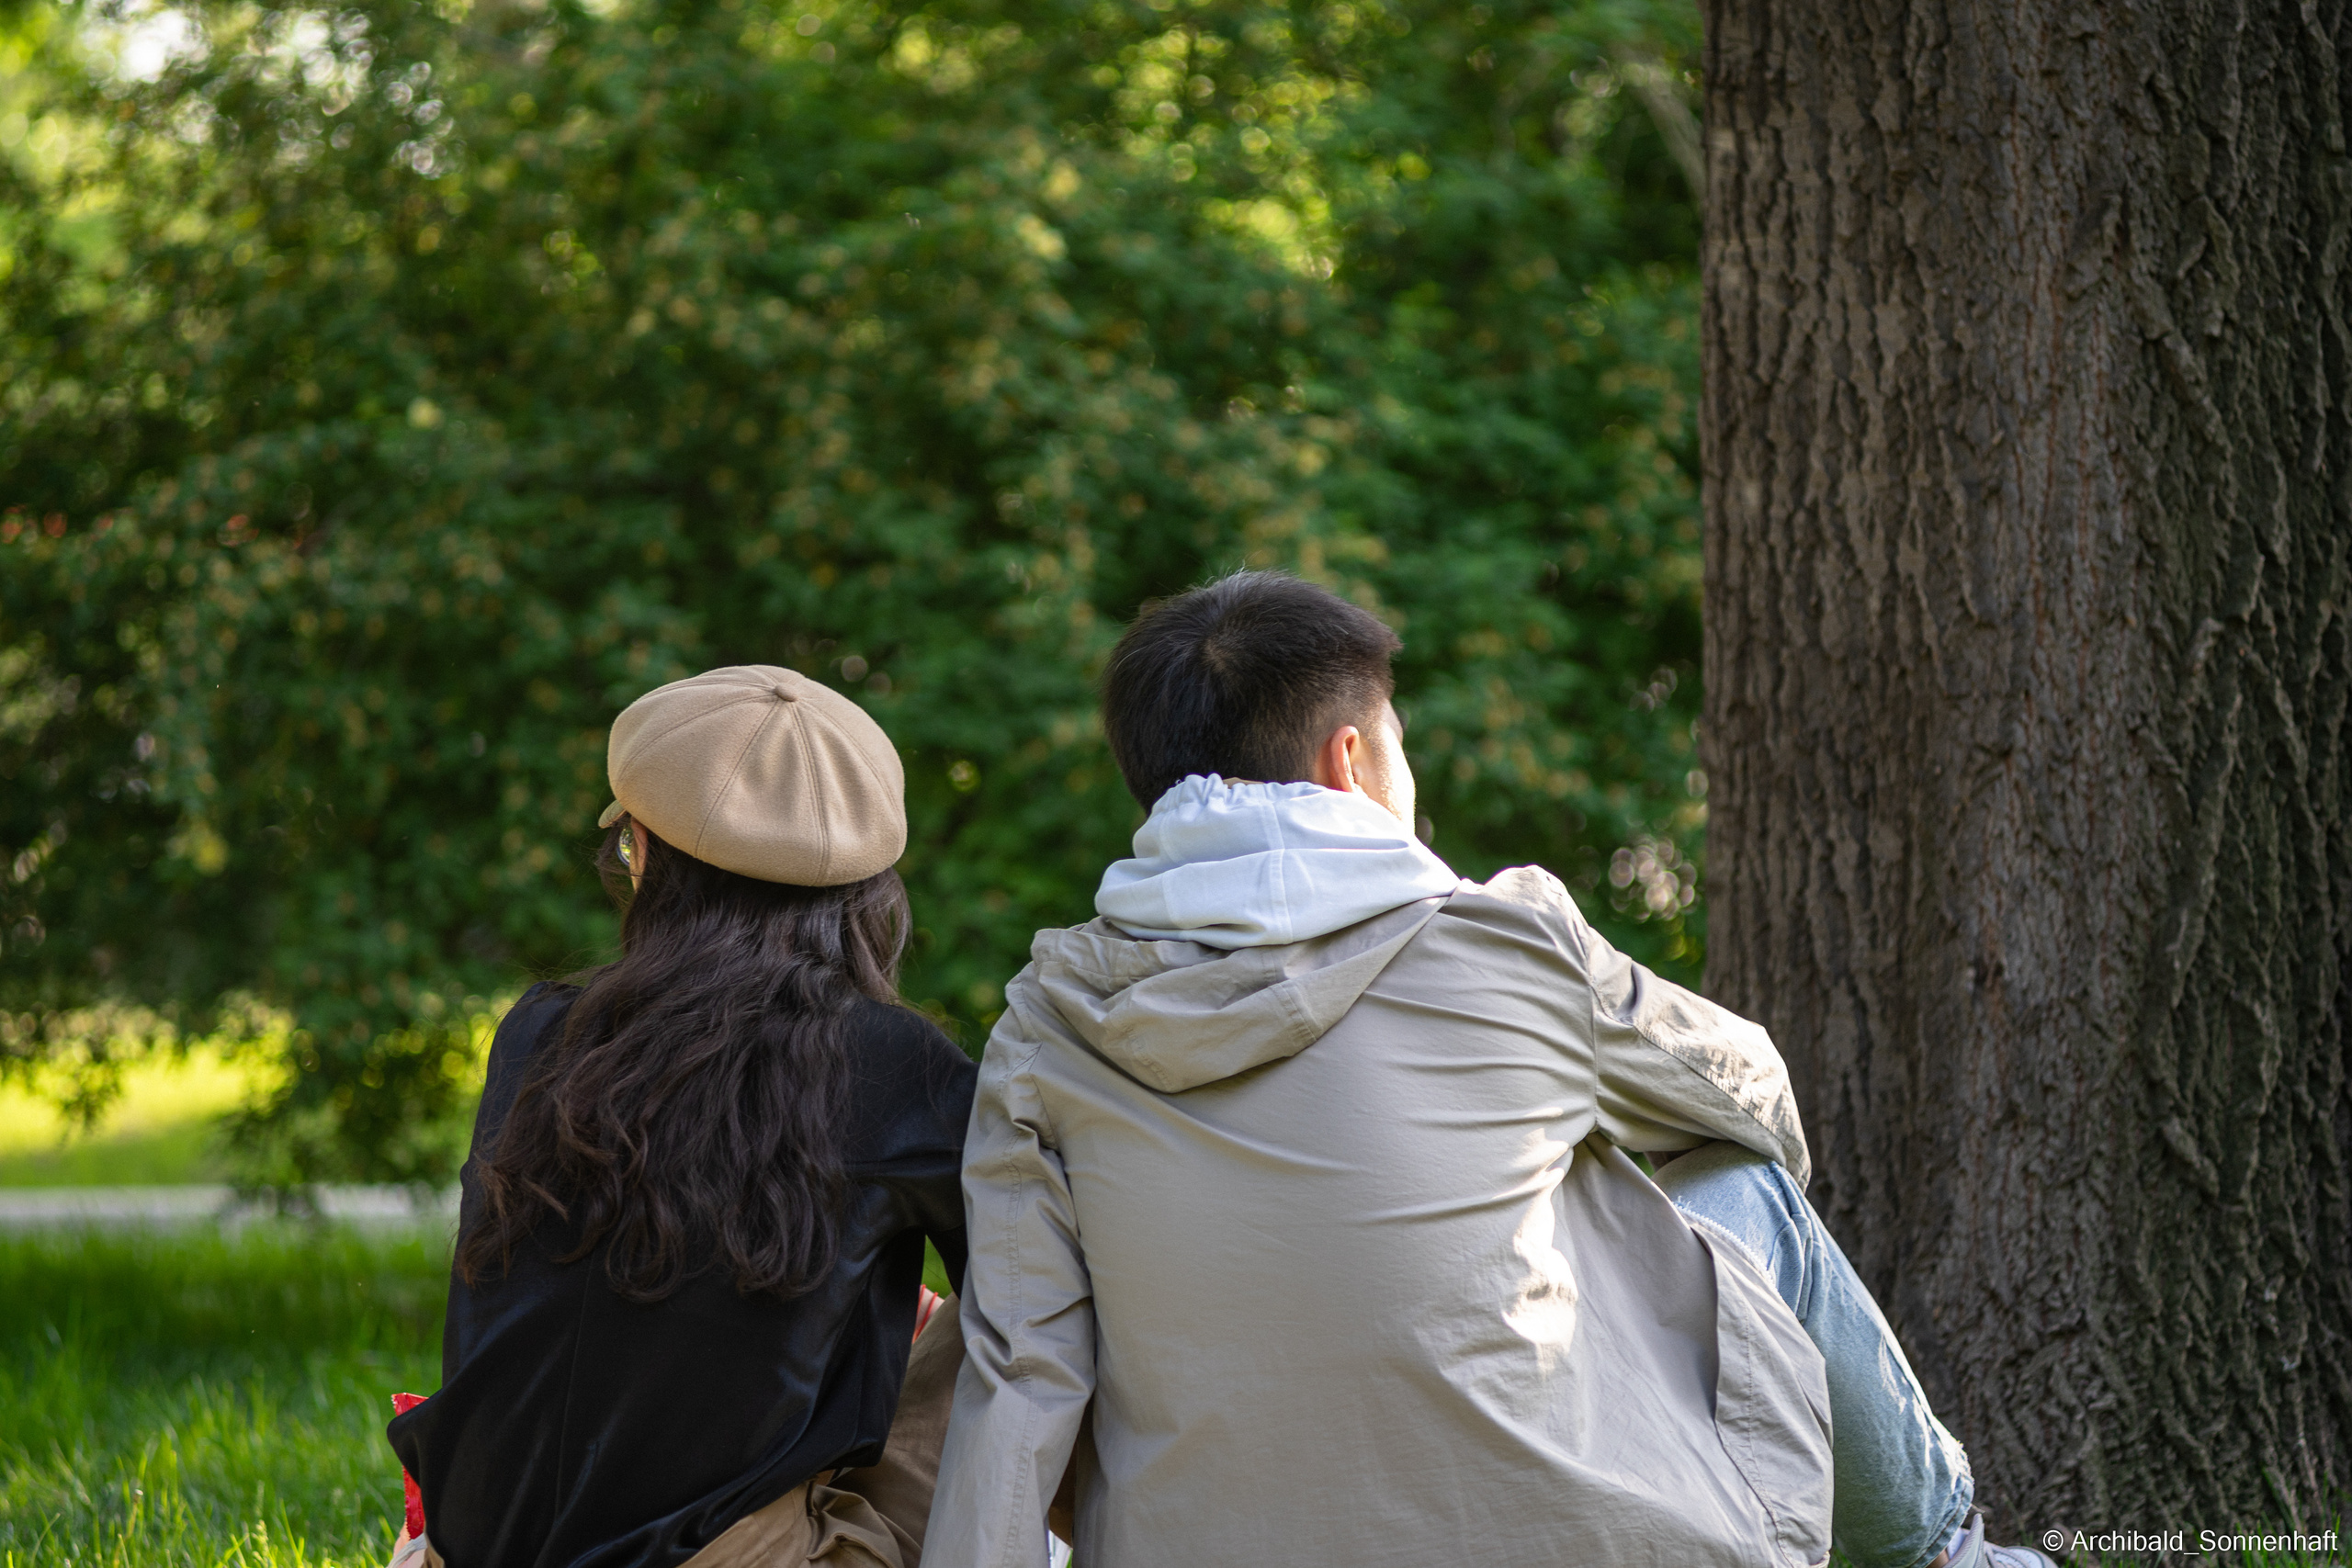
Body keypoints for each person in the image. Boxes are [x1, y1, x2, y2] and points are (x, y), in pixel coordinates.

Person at [924, 571, 2055, 1568]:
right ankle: (1956, 1556)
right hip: (1594, 1535)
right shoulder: (1503, 940)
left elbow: (1022, 1374)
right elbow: (1743, 1091)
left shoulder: (1050, 1026)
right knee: (1736, 1180)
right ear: (1350, 759)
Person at [389, 665, 977, 1568]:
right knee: (1012, 1317)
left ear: (645, 855)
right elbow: (1032, 1295)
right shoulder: (897, 1066)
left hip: (463, 1555)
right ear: (866, 887)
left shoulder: (539, 1031)